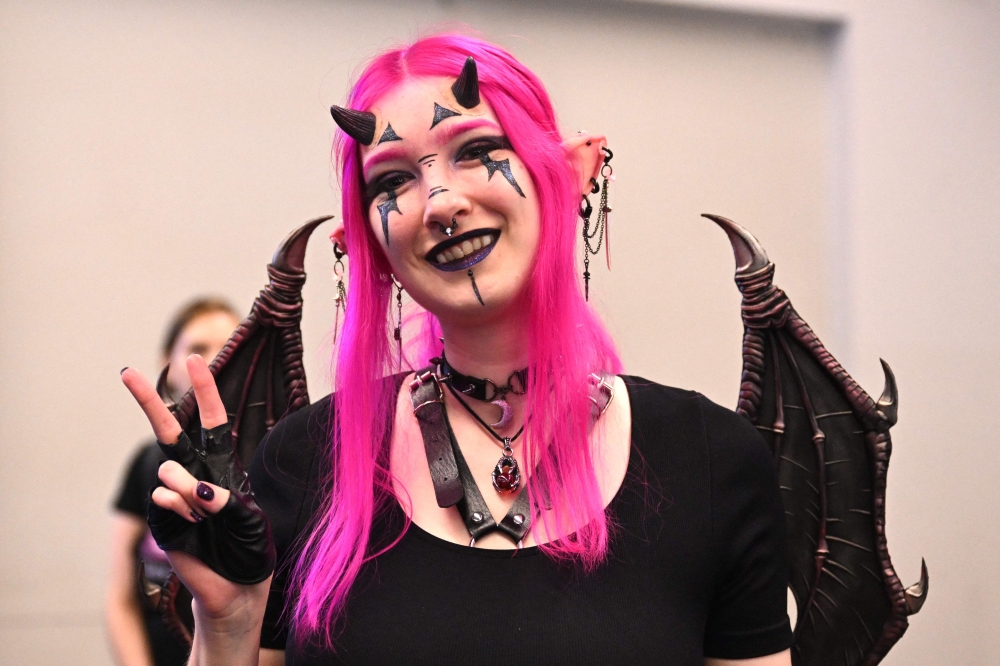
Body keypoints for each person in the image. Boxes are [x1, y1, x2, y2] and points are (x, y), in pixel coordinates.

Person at [120, 33, 793, 665]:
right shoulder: (302, 465)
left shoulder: (711, 462)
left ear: (566, 172)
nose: (439, 202)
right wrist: (231, 624)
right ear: (367, 247)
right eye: (391, 182)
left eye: (473, 150)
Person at [107, 298, 240, 666]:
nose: (214, 360)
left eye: (230, 346)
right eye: (197, 349)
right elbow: (120, 600)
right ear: (168, 359)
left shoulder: (274, 462)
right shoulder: (146, 462)